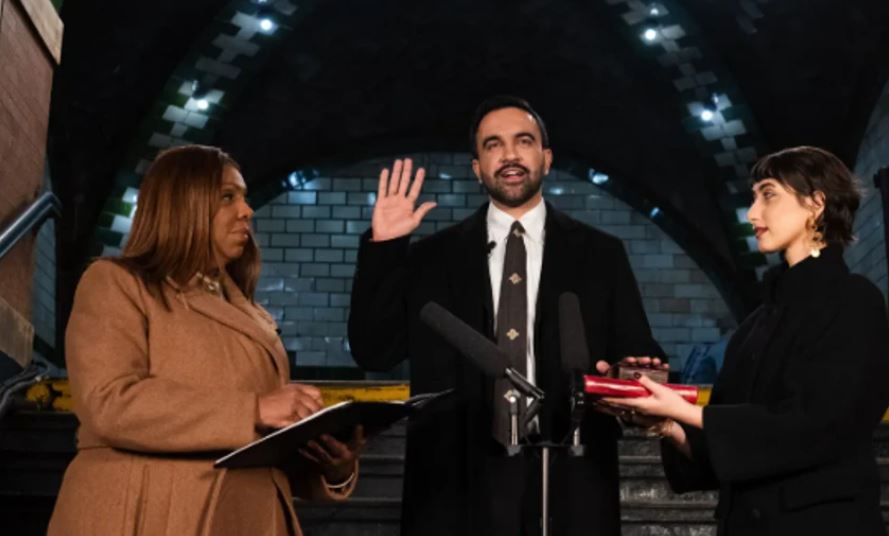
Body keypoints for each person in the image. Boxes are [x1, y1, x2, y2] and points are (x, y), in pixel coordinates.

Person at [348, 96, 665, 535]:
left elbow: (637, 352)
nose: (510, 154)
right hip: (455, 486)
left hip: (570, 476)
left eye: (524, 141)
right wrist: (384, 248)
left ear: (546, 159)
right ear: (477, 168)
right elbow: (373, 350)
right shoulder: (431, 259)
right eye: (493, 145)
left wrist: (633, 372)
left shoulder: (601, 255)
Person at [49, 145, 363, 536]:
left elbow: (261, 447)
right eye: (228, 197)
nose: (246, 211)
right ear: (183, 204)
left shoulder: (254, 315)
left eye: (244, 198)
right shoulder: (116, 283)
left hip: (251, 517)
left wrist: (331, 468)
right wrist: (254, 409)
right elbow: (109, 402)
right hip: (151, 513)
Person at [600, 146, 889, 536]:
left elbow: (820, 424)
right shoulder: (754, 325)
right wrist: (665, 422)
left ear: (816, 203)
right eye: (754, 197)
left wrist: (684, 411)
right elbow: (729, 450)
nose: (753, 213)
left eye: (768, 195)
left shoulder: (855, 300)